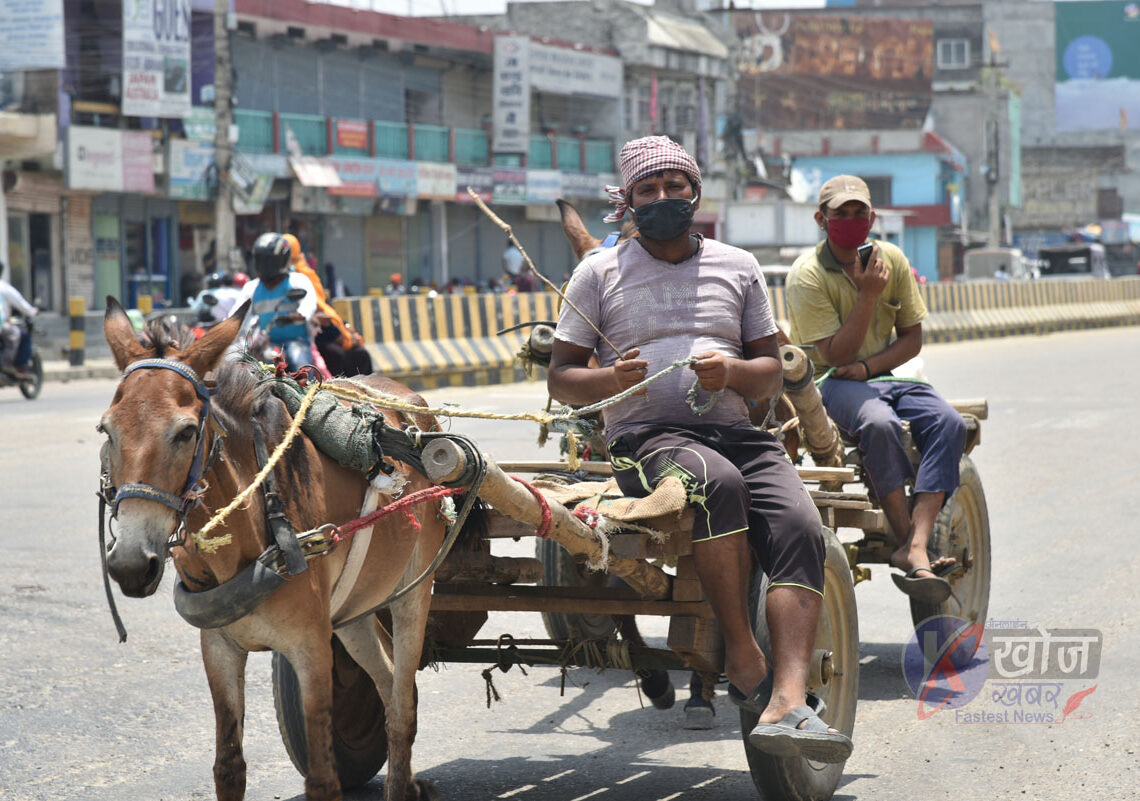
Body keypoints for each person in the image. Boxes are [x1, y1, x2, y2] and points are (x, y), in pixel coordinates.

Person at [548, 136, 852, 762]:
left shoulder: (738, 267)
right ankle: (744, 661)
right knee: (719, 485)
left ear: (695, 193)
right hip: (646, 439)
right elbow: (561, 377)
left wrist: (733, 375)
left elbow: (771, 368)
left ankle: (788, 699)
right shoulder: (598, 273)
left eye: (673, 188)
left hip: (738, 430)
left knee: (800, 523)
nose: (662, 199)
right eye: (647, 191)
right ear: (627, 202)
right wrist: (609, 381)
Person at [785, 175, 966, 604]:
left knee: (950, 422)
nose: (850, 221)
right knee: (879, 425)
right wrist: (868, 297)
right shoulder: (806, 275)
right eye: (840, 214)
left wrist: (869, 366)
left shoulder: (894, 260)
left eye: (858, 213)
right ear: (820, 219)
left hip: (885, 375)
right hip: (832, 381)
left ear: (872, 217)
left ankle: (915, 541)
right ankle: (908, 540)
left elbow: (911, 338)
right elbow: (834, 352)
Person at [282, 235, 372, 377]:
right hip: (294, 338)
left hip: (312, 333)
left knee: (357, 354)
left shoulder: (304, 277)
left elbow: (321, 309)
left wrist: (346, 330)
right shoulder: (265, 284)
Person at [234, 232, 319, 369]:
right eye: (260, 260)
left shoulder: (298, 280)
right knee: (245, 369)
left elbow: (308, 304)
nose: (263, 265)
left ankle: (308, 389)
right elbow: (236, 316)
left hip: (296, 342)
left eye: (267, 260)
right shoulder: (251, 288)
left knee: (299, 363)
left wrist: (299, 316)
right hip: (267, 343)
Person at [0, 270, 37, 380]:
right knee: (17, 335)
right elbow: (21, 304)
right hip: (3, 325)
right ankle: (7, 365)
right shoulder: (3, 287)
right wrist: (33, 311)